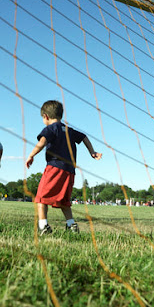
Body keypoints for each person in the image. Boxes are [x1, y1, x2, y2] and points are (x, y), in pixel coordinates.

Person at [26, 100, 102, 235]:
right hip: (70, 171)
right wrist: (92, 151)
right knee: (64, 201)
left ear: (46, 117)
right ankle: (71, 224)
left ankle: (43, 226)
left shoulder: (51, 128)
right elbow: (84, 137)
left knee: (41, 198)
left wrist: (31, 155)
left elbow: (42, 142)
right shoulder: (68, 129)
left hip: (54, 167)